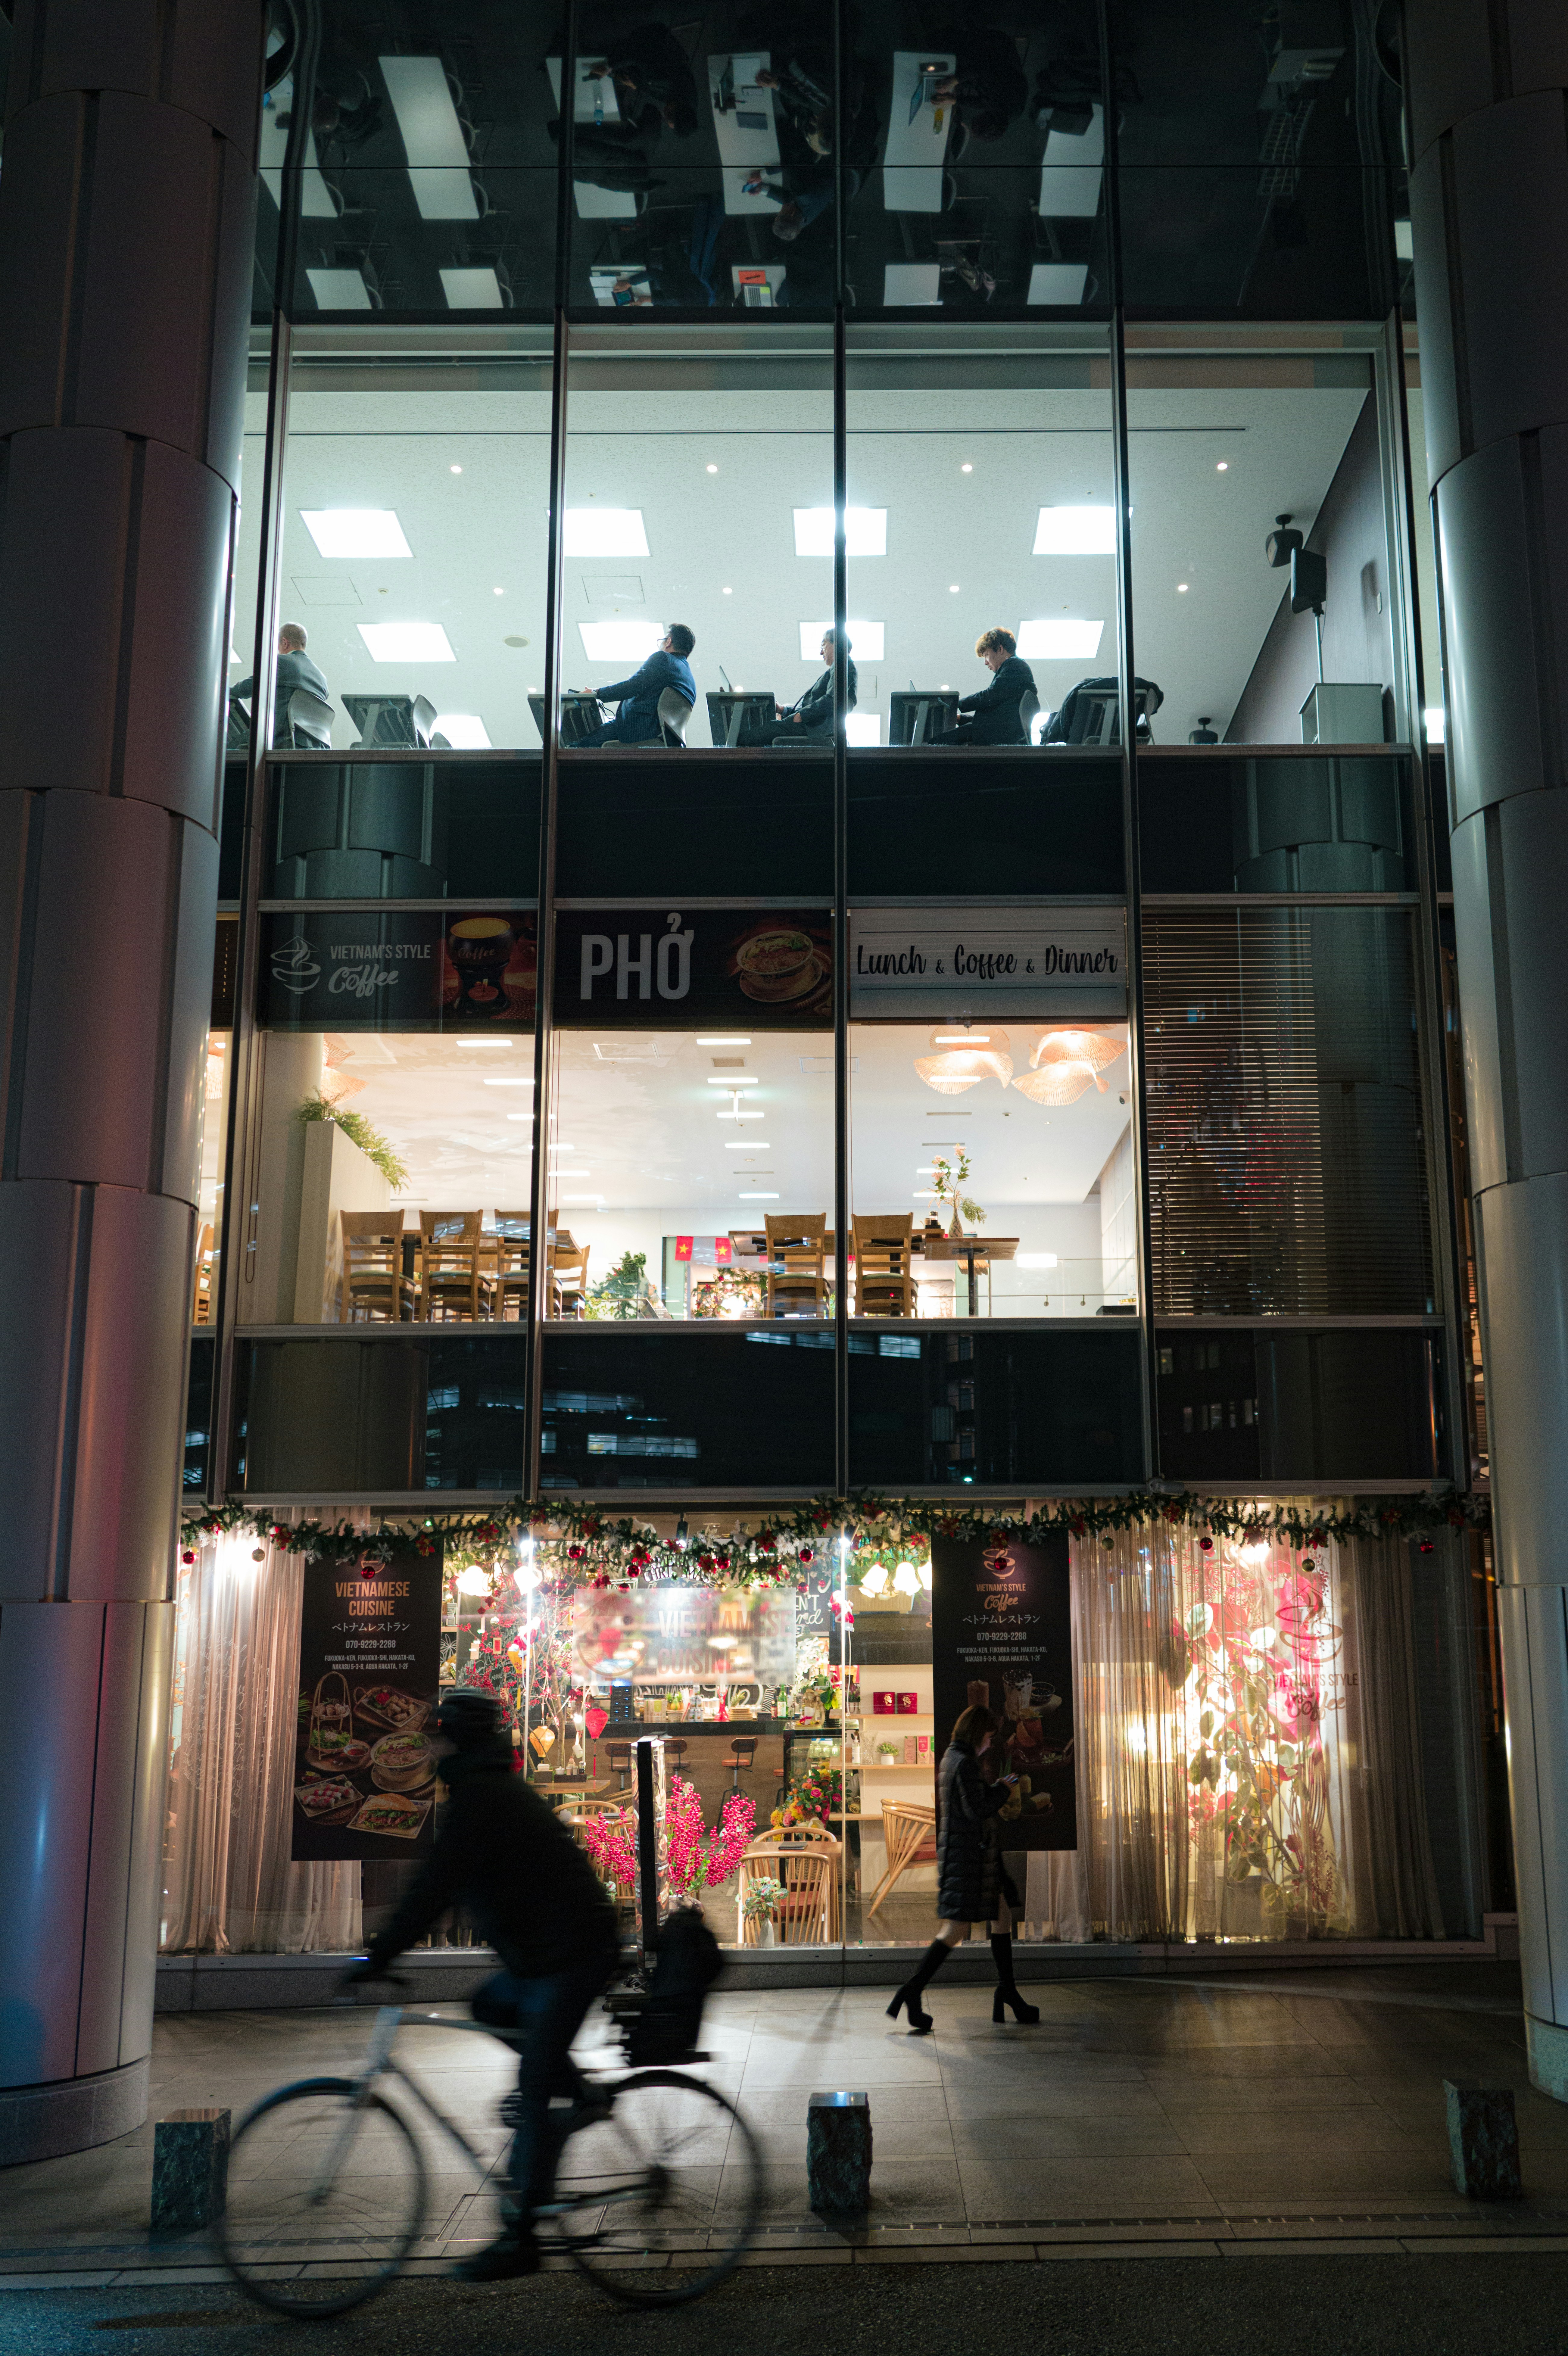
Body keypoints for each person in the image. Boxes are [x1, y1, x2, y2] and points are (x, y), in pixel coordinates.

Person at [342, 1689, 619, 2279]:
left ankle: (522, 2239)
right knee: (489, 2002)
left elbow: (433, 1888)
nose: (430, 1746)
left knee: (535, 2085)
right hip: (546, 1954)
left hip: (572, 1953)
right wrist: (384, 1951)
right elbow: (438, 1887)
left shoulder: (481, 1799)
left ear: (456, 1740)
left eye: (437, 1734)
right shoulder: (479, 1791)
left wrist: (378, 1956)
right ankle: (581, 2093)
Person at [885, 1703, 1040, 2032]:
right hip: (968, 1859)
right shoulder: (966, 1763)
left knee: (1002, 1916)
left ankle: (1007, 1990)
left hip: (967, 1856)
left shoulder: (950, 1758)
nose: (989, 1743)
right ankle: (911, 1991)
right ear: (976, 1733)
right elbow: (977, 1809)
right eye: (987, 1736)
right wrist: (1003, 1789)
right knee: (954, 1931)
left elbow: (967, 1802)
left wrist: (994, 1787)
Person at [578, 624, 696, 746]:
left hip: (639, 729)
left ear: (669, 642)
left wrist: (596, 693)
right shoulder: (688, 677)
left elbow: (633, 686)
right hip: (668, 737)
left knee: (581, 746)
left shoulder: (664, 658)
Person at [232, 622, 329, 747]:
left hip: (281, 741)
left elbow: (247, 689)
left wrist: (223, 691)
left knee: (227, 748)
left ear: (284, 642)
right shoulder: (322, 679)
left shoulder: (282, 662)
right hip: (313, 746)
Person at [935, 627, 1036, 746]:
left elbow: (990, 696)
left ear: (1000, 649)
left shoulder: (1014, 665)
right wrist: (961, 719)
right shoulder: (1015, 668)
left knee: (933, 743)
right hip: (999, 734)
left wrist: (955, 703)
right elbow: (996, 719)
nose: (986, 662)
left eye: (986, 655)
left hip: (996, 736)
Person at [772, 628, 856, 744]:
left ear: (836, 644)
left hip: (812, 728)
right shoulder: (838, 668)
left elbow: (833, 699)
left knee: (752, 735)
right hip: (808, 725)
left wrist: (803, 715)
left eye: (823, 646)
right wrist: (782, 710)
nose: (821, 652)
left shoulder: (844, 665)